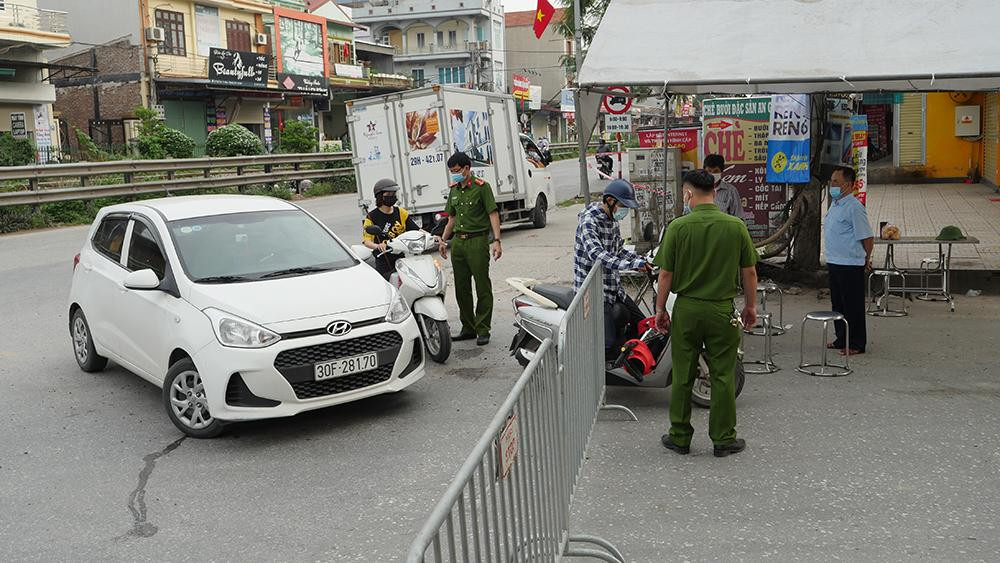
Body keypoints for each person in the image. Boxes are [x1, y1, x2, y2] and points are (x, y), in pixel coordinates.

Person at [653, 169, 758, 458]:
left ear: (688, 194)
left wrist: (660, 309)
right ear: (715, 191)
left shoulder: (678, 227)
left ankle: (679, 437)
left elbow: (665, 275)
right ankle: (724, 440)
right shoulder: (735, 226)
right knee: (722, 374)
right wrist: (750, 306)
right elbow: (749, 271)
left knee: (683, 373)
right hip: (721, 309)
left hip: (686, 308)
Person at [573, 179, 649, 360]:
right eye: (623, 206)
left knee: (641, 323)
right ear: (609, 201)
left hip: (613, 288)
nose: (624, 211)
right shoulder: (589, 221)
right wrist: (631, 266)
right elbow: (597, 255)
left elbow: (618, 250)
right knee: (608, 345)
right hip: (594, 293)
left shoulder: (612, 220)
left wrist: (641, 261)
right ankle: (601, 375)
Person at [438, 152, 502, 346]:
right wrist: (443, 240)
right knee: (461, 288)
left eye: (457, 171)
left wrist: (497, 240)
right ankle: (468, 328)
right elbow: (452, 218)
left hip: (477, 241)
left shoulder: (482, 188)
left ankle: (483, 328)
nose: (455, 175)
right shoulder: (455, 190)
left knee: (482, 286)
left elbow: (492, 213)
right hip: (458, 243)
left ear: (467, 168)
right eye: (452, 172)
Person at [824, 165, 874, 355]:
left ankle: (856, 343)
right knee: (838, 303)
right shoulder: (835, 204)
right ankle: (841, 338)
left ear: (847, 185)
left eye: (836, 181)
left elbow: (867, 237)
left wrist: (866, 258)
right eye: (831, 181)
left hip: (850, 263)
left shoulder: (854, 207)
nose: (832, 184)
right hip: (834, 261)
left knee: (852, 305)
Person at [362, 178, 421, 280]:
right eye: (388, 195)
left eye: (394, 194)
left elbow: (416, 230)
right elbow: (367, 241)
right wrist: (378, 246)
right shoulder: (372, 216)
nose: (392, 197)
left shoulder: (401, 212)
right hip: (383, 259)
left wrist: (431, 237)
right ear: (380, 196)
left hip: (400, 257)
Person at [703, 154, 745, 219]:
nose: (712, 174)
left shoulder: (731, 191)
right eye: (709, 171)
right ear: (704, 171)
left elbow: (739, 217)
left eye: (715, 171)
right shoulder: (698, 190)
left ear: (721, 171)